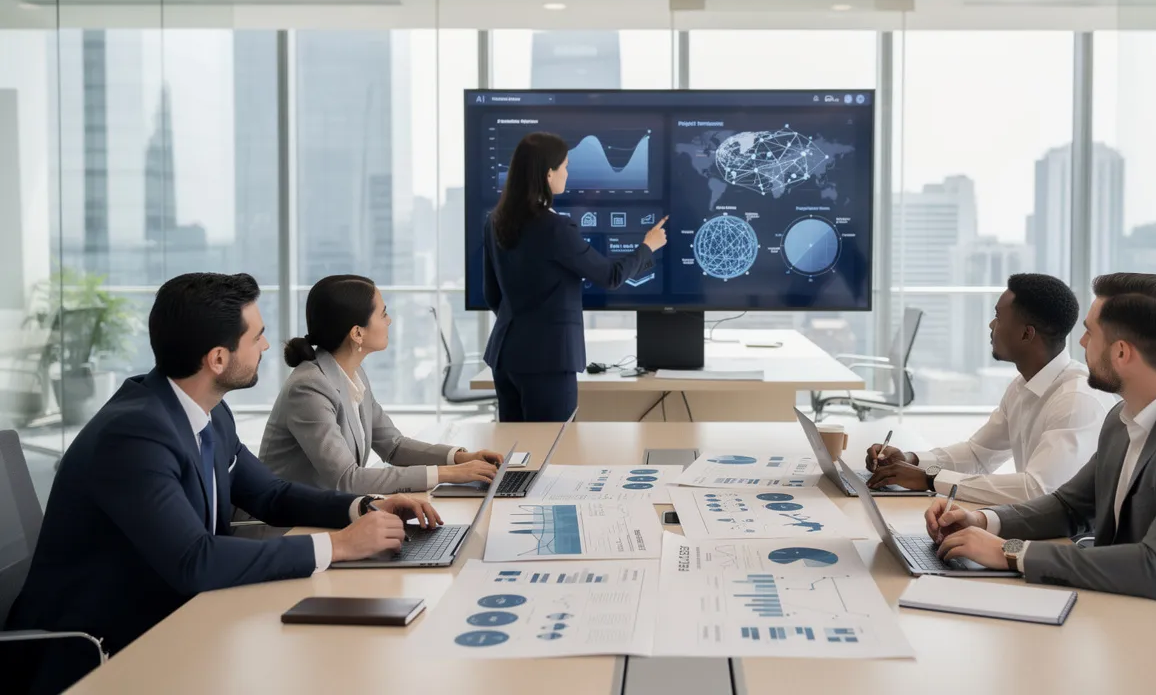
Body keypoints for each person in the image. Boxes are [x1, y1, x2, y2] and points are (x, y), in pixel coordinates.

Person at [3, 273, 442, 695]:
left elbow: (271, 495)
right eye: (256, 337)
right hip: (101, 649)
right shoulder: (134, 435)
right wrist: (341, 546)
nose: (268, 345)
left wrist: (364, 507)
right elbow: (194, 559)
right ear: (217, 358)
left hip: (183, 617)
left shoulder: (207, 411)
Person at [926, 273, 1156, 690]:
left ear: (1122, 352)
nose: (1082, 344)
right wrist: (983, 521)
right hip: (1145, 622)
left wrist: (1012, 553)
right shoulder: (1124, 418)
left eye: (1090, 333)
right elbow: (1069, 506)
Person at [864, 273, 1113, 504]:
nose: (991, 325)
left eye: (999, 317)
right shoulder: (1023, 386)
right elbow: (977, 456)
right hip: (1031, 527)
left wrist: (930, 479)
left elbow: (1037, 490)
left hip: (1063, 542)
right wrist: (911, 461)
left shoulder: (1076, 400)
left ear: (1027, 334)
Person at [483, 131, 668, 421]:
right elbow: (610, 276)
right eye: (565, 166)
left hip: (505, 355)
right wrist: (648, 247)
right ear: (548, 174)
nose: (568, 174)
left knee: (515, 453)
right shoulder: (554, 228)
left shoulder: (494, 221)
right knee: (551, 450)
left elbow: (492, 294)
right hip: (549, 360)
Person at [259, 275, 502, 494]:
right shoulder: (309, 388)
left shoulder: (352, 373)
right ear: (357, 333)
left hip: (324, 514)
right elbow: (347, 480)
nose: (390, 320)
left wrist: (460, 458)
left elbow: (393, 447)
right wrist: (447, 474)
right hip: (286, 529)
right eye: (383, 314)